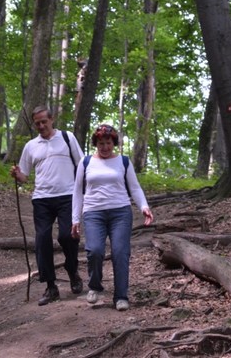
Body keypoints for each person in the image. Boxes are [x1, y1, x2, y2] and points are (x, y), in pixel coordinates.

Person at [71, 124, 154, 311]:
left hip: (120, 212)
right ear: (96, 144)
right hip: (93, 212)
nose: (105, 147)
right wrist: (75, 219)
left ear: (114, 143)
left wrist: (144, 206)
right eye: (101, 143)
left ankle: (121, 296)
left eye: (108, 143)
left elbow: (134, 187)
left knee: (120, 252)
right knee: (94, 250)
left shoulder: (123, 161)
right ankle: (95, 285)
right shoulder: (85, 162)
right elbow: (77, 192)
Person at [10, 105, 84, 306]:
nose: (41, 126)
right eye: (37, 123)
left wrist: (85, 190)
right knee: (42, 240)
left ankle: (72, 270)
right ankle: (51, 286)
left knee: (67, 236)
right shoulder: (31, 146)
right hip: (42, 198)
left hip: (67, 195)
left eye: (44, 121)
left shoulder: (67, 138)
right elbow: (24, 176)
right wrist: (17, 174)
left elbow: (82, 163)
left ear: (52, 119)